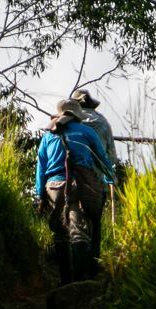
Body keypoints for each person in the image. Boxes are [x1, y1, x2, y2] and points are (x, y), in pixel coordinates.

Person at [35, 99, 115, 283]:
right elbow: (102, 159)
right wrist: (110, 179)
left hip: (54, 187)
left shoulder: (48, 136)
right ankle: (79, 281)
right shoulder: (87, 131)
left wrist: (40, 195)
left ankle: (65, 280)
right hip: (79, 184)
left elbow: (41, 166)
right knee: (78, 230)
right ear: (77, 115)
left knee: (60, 233)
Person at [69, 88, 119, 264]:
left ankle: (76, 267)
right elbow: (111, 158)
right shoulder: (103, 123)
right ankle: (93, 264)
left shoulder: (69, 122)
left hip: (71, 178)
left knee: (74, 222)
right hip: (97, 181)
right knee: (95, 222)